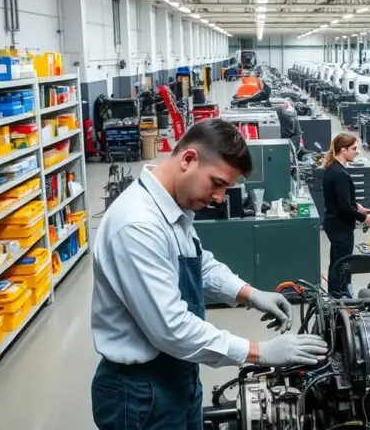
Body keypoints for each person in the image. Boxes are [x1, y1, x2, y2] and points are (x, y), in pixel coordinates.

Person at [90, 118, 328, 430]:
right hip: (140, 391)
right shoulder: (138, 225)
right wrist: (262, 351)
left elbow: (199, 263)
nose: (219, 197)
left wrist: (248, 293)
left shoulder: (172, 207)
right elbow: (171, 329)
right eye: (217, 183)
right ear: (188, 159)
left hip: (178, 373)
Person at [321, 133, 370, 297]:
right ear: (343, 150)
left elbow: (340, 201)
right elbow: (345, 207)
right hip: (340, 227)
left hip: (334, 224)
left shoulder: (333, 168)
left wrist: (357, 207)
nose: (356, 152)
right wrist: (364, 218)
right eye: (353, 149)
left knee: (336, 262)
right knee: (343, 264)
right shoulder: (340, 174)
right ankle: (340, 296)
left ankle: (335, 293)